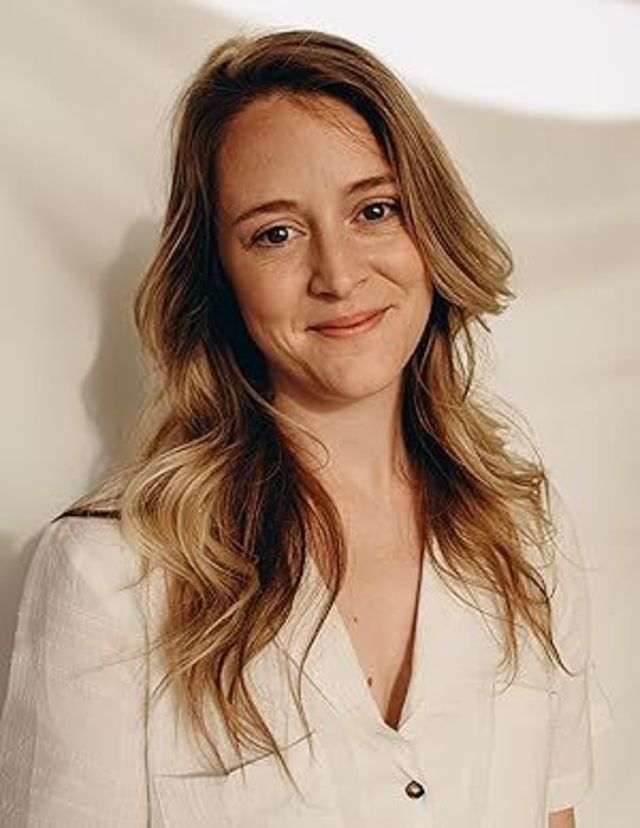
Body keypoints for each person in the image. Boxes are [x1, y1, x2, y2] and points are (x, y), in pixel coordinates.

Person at [0, 28, 602, 827]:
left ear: (430, 228)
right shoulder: (111, 577)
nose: (339, 275)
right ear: (216, 278)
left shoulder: (522, 529)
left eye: (375, 211)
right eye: (275, 233)